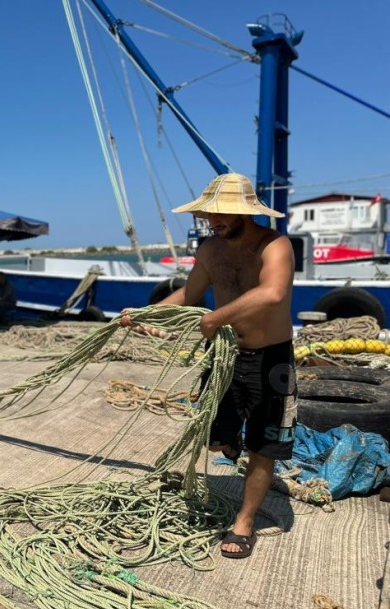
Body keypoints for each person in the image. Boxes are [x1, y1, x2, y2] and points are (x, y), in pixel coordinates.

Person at [120, 172, 297, 560]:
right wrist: (147, 314)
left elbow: (273, 293)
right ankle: (228, 441)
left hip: (271, 359)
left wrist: (216, 319)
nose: (211, 220)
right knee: (214, 438)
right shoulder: (209, 249)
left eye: (220, 213)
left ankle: (244, 523)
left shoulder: (275, 245)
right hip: (225, 357)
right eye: (207, 214)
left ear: (244, 212)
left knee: (263, 448)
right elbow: (190, 293)